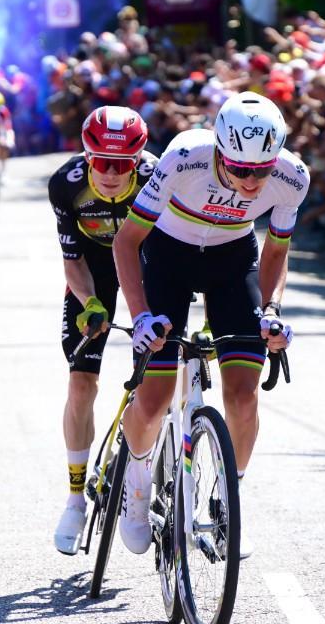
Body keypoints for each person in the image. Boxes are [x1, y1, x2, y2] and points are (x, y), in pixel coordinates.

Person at [112, 92, 305, 558]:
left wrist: (273, 310)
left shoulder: (292, 177)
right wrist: (140, 317)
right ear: (219, 151)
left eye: (262, 170)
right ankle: (137, 482)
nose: (252, 181)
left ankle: (227, 501)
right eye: (241, 169)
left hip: (231, 262)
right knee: (155, 397)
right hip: (168, 259)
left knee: (242, 393)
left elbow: (276, 251)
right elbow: (126, 242)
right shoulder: (184, 157)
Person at [50, 106, 156, 555]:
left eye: (122, 165)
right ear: (87, 157)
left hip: (147, 267)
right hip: (93, 270)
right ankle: (75, 499)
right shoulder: (66, 185)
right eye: (101, 162)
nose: (111, 174)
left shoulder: (159, 177)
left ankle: (137, 491)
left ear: (137, 162)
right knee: (81, 383)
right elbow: (72, 259)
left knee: (155, 382)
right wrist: (91, 302)